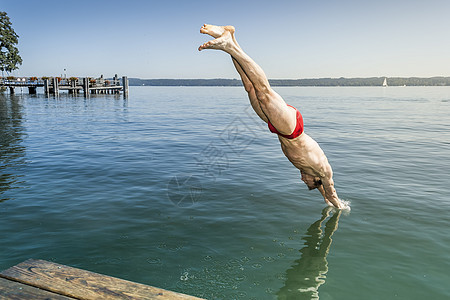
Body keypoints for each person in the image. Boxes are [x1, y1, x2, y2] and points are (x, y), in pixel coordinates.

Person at [199, 24, 343, 209]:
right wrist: (338, 206)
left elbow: (323, 192)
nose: (302, 178)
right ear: (316, 179)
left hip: (277, 127)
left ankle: (230, 39)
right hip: (292, 128)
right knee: (263, 92)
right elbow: (330, 190)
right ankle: (229, 45)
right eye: (306, 181)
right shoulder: (322, 170)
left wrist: (324, 199)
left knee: (250, 88)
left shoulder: (309, 171)